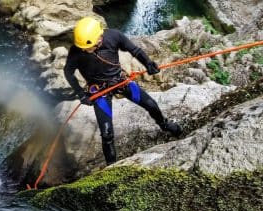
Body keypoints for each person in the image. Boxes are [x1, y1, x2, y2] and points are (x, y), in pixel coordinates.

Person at [64, 16, 182, 165]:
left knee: (151, 104)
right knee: (107, 135)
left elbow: (135, 50)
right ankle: (111, 168)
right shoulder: (76, 51)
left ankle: (164, 124)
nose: (85, 50)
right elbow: (68, 72)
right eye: (83, 48)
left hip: (120, 81)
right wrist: (81, 94)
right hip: (99, 91)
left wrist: (148, 64)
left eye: (89, 47)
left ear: (99, 38)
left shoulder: (113, 36)